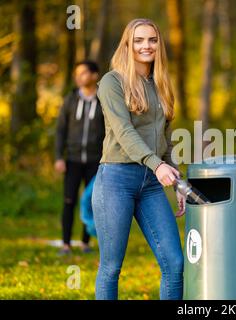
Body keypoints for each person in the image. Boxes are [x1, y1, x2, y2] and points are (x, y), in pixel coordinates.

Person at [92, 18, 185, 300]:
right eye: (139, 40)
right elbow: (124, 132)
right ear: (128, 45)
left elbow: (164, 137)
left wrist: (176, 177)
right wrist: (158, 166)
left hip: (151, 184)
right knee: (111, 267)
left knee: (175, 263)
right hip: (116, 179)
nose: (147, 46)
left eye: (152, 40)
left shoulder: (160, 84)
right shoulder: (112, 82)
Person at [55, 60, 105, 255]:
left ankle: (85, 243)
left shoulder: (103, 100)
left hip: (96, 160)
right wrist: (59, 156)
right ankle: (66, 244)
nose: (79, 77)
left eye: (83, 73)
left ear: (94, 75)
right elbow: (60, 130)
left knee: (92, 201)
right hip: (72, 160)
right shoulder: (71, 100)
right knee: (69, 201)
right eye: (77, 73)